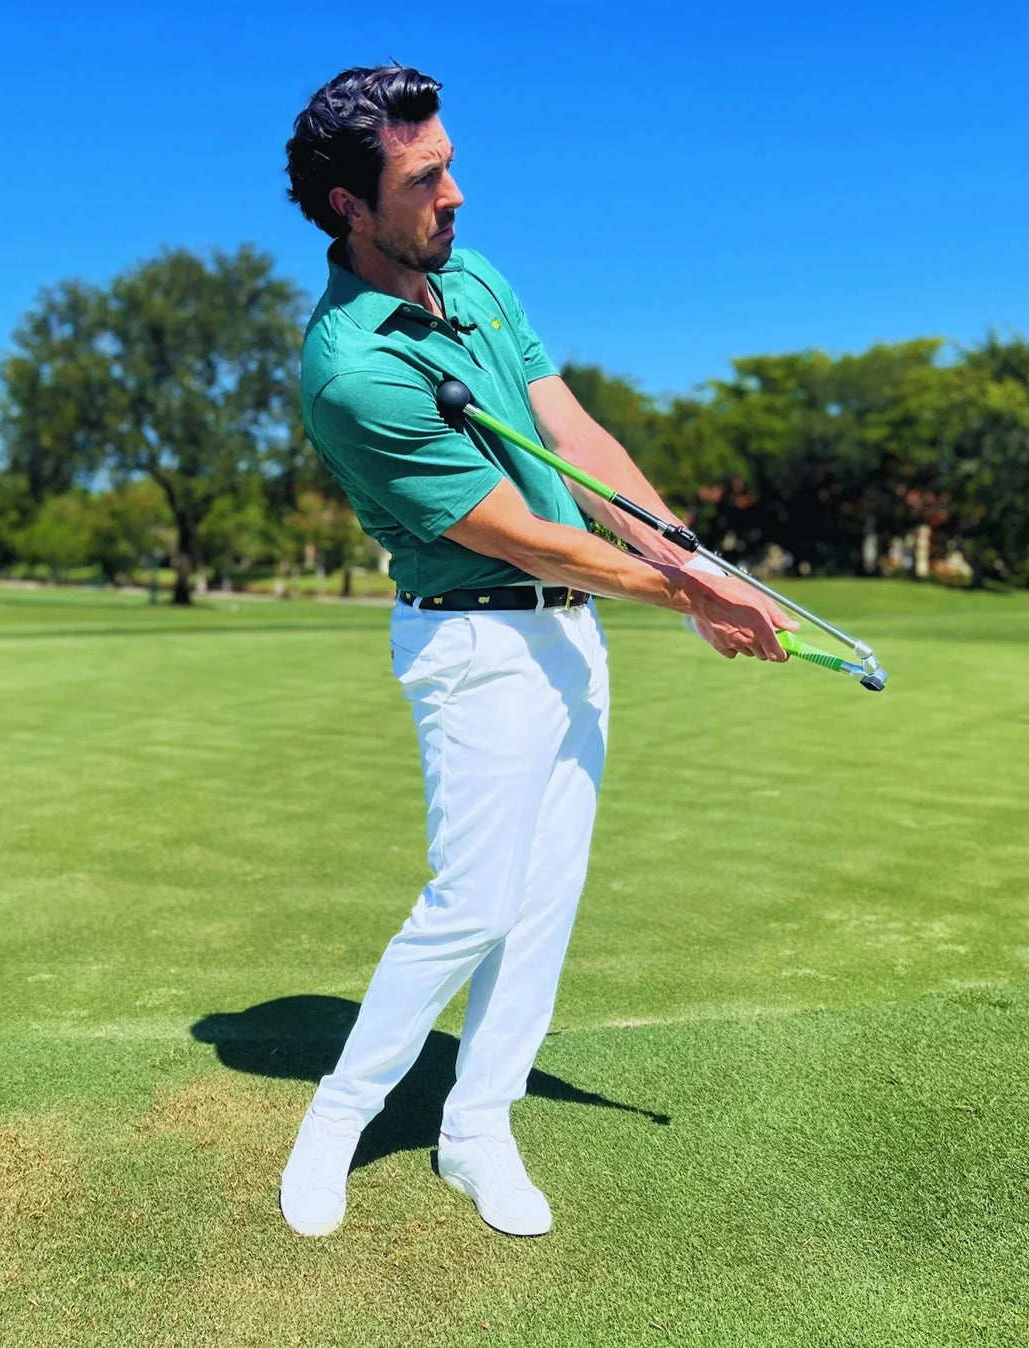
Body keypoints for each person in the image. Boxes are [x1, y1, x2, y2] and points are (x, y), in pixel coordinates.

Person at [280, 64, 792, 1239]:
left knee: (544, 902)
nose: (454, 193)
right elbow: (518, 532)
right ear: (350, 206)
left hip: (571, 636)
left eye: (450, 163)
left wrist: (687, 554)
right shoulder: (350, 370)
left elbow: (575, 439)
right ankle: (338, 1114)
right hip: (475, 644)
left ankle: (476, 1127)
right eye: (424, 178)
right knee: (470, 904)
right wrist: (684, 594)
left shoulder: (474, 276)